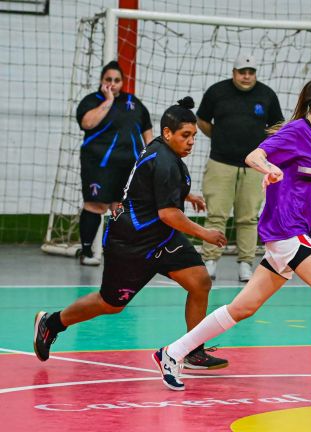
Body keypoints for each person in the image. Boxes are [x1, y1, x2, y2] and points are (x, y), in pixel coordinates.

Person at [152, 63, 311, 393]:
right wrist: (269, 168)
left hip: (294, 233)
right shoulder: (296, 131)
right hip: (286, 229)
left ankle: (172, 353)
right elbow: (254, 155)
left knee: (242, 307)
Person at [34, 97, 229, 370]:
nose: (191, 142)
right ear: (167, 133)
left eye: (194, 136)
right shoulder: (163, 160)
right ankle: (51, 323)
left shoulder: (164, 151)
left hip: (162, 238)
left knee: (200, 282)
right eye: (185, 136)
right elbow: (168, 213)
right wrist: (204, 233)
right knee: (110, 304)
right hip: (131, 243)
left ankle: (193, 350)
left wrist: (187, 194)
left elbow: (154, 189)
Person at [197, 54, 284, 282]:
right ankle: (210, 261)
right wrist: (220, 137)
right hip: (220, 164)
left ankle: (246, 263)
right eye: (242, 71)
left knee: (249, 217)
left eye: (251, 72)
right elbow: (203, 120)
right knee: (216, 215)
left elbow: (277, 126)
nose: (247, 76)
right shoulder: (217, 92)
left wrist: (265, 150)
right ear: (233, 72)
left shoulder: (266, 95)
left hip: (254, 168)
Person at [76, 61, 154, 265]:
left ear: (123, 82)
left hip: (128, 167)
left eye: (116, 80)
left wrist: (151, 153)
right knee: (95, 205)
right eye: (108, 80)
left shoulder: (134, 102)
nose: (112, 84)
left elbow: (146, 128)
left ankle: (117, 251)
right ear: (102, 81)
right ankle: (86, 252)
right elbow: (87, 123)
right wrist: (108, 100)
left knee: (120, 208)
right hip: (99, 165)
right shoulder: (92, 100)